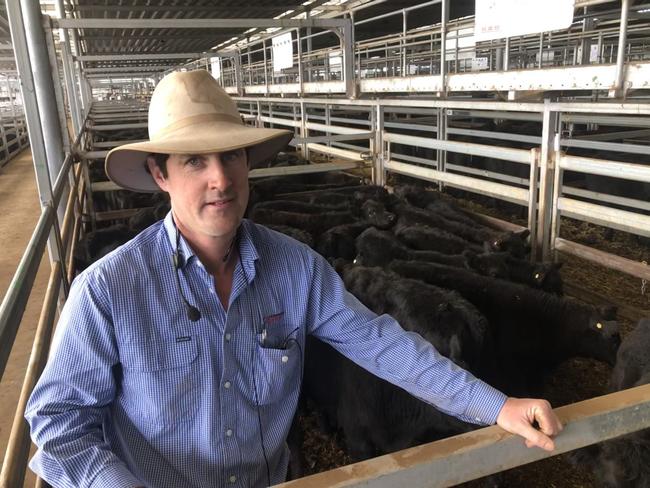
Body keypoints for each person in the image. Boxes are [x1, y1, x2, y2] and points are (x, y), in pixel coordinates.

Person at [25, 69, 562, 488]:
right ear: (160, 174)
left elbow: (380, 343)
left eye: (230, 154)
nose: (219, 178)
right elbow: (57, 422)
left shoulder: (295, 267)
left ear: (248, 162)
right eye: (194, 162)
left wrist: (496, 405)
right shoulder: (106, 291)